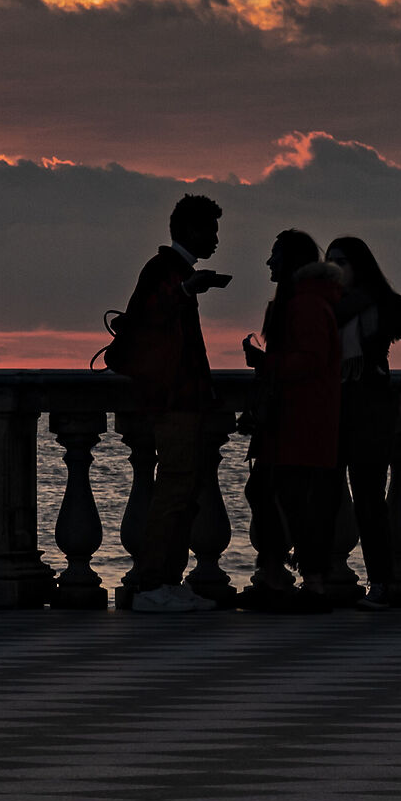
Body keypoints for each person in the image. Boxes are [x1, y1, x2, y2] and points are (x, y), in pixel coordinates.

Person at [108, 194, 230, 615]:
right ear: (190, 230)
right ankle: (152, 583)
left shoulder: (172, 272)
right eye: (210, 230)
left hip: (182, 399)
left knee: (184, 491)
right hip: (172, 401)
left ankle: (166, 580)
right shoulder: (165, 271)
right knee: (175, 490)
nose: (215, 238)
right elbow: (153, 317)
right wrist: (185, 290)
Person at [324, 235, 401, 610]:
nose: (334, 267)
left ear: (359, 265)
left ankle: (381, 583)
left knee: (369, 499)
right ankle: (317, 579)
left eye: (341, 260)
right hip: (330, 405)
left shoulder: (384, 304)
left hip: (370, 407)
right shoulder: (322, 304)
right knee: (322, 494)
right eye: (329, 260)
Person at [239, 230, 344, 613]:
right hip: (294, 423)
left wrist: (265, 363)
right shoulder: (306, 302)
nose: (268, 262)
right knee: (278, 498)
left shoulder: (305, 305)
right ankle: (280, 576)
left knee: (285, 501)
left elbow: (310, 362)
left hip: (297, 423)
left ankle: (294, 579)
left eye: (275, 255)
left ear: (291, 262)